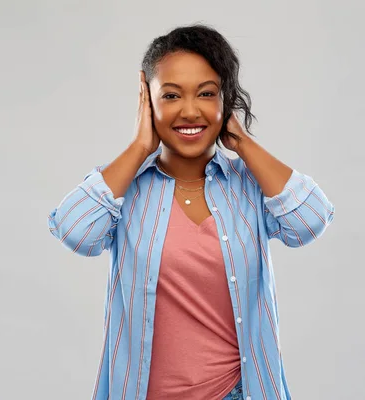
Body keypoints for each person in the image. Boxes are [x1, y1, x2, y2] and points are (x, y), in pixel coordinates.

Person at [48, 24, 335, 400]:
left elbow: (311, 219)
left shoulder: (248, 185)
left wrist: (241, 141)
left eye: (206, 94)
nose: (189, 110)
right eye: (170, 95)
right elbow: (74, 231)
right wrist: (139, 146)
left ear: (225, 100)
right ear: (147, 101)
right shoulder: (123, 188)